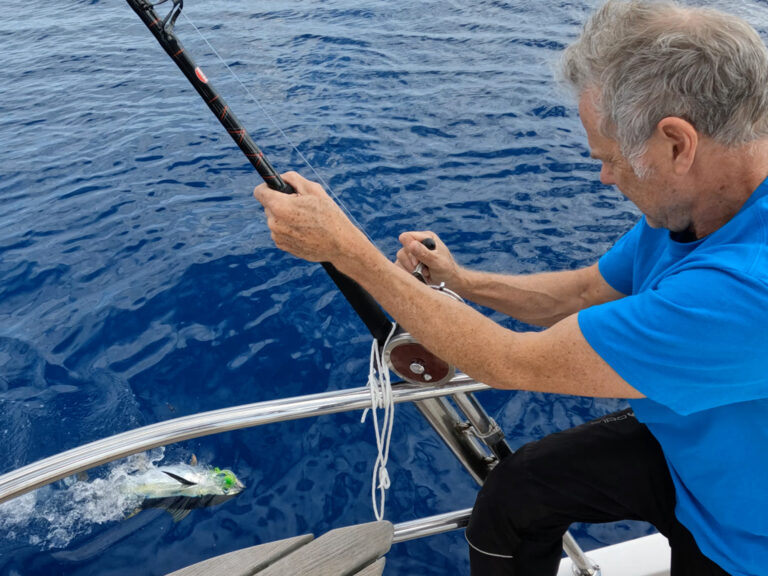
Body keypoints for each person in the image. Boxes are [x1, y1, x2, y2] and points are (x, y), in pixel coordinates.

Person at [253, 1, 768, 574]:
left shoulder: (746, 289)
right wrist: (460, 281)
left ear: (677, 143)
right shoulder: (700, 202)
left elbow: (507, 362)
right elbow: (581, 293)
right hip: (694, 448)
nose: (604, 176)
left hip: (744, 539)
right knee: (518, 494)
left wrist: (348, 252)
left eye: (612, 159)